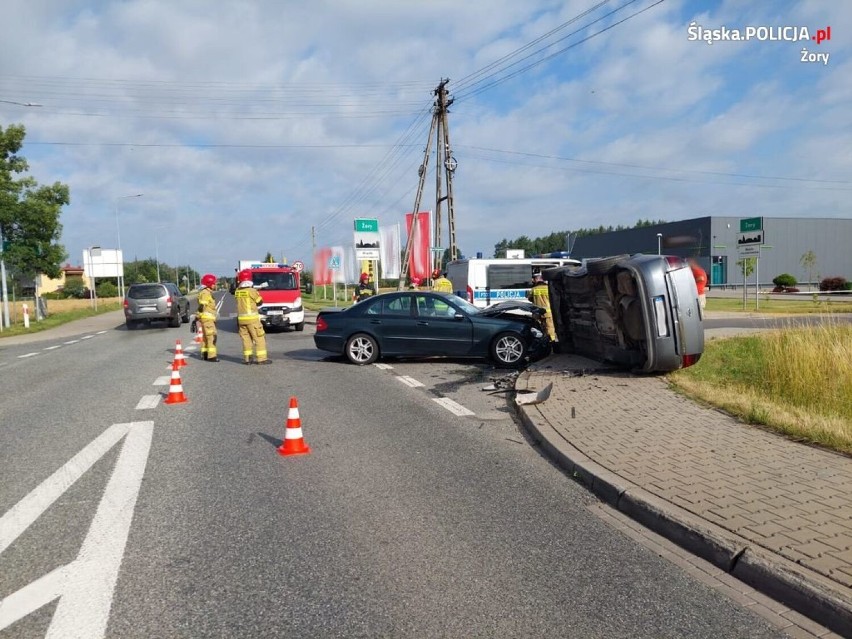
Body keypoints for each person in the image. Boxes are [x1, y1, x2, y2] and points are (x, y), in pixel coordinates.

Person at [234, 269, 271, 365]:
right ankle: (261, 359)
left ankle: (247, 359)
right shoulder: (252, 291)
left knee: (246, 340)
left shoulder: (237, 291)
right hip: (252, 320)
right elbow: (260, 302)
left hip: (241, 321)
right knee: (259, 338)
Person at [528, 272, 556, 342]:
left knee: (538, 327)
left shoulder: (533, 289)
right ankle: (552, 341)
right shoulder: (548, 288)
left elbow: (529, 298)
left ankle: (540, 341)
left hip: (537, 312)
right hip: (548, 312)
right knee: (550, 328)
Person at [197, 273, 219, 362]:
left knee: (206, 337)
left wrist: (198, 317)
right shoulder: (206, 293)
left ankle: (205, 354)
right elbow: (202, 306)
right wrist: (199, 315)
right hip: (208, 319)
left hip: (206, 319)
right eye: (214, 283)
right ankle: (212, 356)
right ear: (209, 283)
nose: (215, 284)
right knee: (212, 337)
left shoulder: (205, 292)